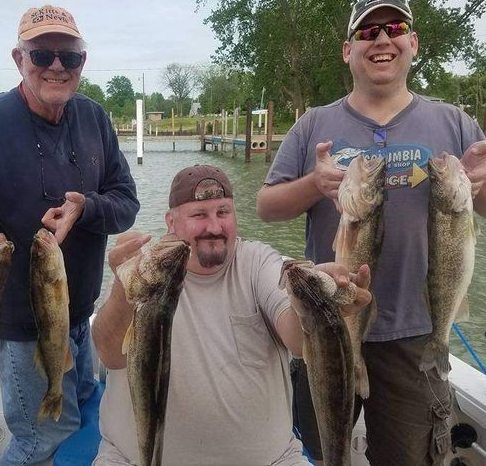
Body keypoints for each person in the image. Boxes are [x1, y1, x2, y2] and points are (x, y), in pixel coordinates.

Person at [257, 0, 486, 466]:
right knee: (321, 448)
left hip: (415, 334)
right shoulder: (315, 123)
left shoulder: (453, 121)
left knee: (411, 456)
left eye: (394, 29)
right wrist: (313, 183)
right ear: (348, 51)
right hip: (328, 323)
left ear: (413, 43)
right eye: (368, 32)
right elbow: (266, 207)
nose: (382, 39)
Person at [0, 4, 139, 466]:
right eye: (42, 55)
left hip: (80, 317)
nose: (57, 66)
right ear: (19, 60)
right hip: (17, 330)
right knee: (41, 442)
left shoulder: (95, 119)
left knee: (76, 426)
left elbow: (126, 204)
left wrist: (87, 206)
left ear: (82, 64)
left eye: (70, 57)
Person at [91, 164, 372, 466]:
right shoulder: (147, 268)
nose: (214, 226)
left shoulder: (257, 262)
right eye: (199, 215)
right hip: (131, 460)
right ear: (171, 222)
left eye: (223, 212)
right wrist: (123, 286)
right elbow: (109, 354)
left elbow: (296, 339)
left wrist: (319, 301)